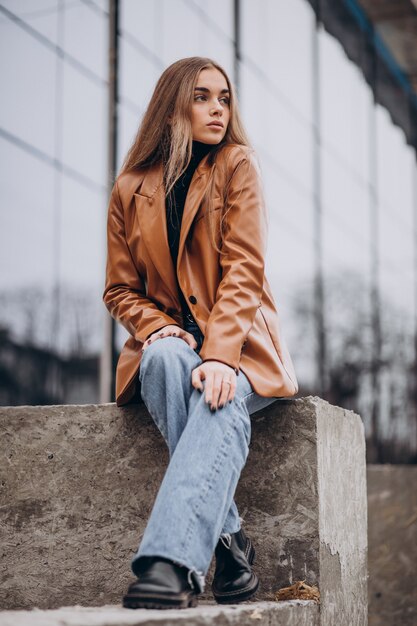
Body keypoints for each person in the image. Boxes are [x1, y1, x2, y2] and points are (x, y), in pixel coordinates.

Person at [102, 56, 299, 610]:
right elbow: (120, 291)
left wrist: (220, 356)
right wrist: (159, 327)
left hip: (242, 348)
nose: (218, 108)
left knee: (217, 397)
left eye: (225, 98)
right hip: (175, 350)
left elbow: (245, 269)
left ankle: (170, 563)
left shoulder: (237, 165)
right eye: (203, 97)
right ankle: (232, 542)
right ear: (173, 107)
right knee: (162, 362)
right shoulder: (128, 189)